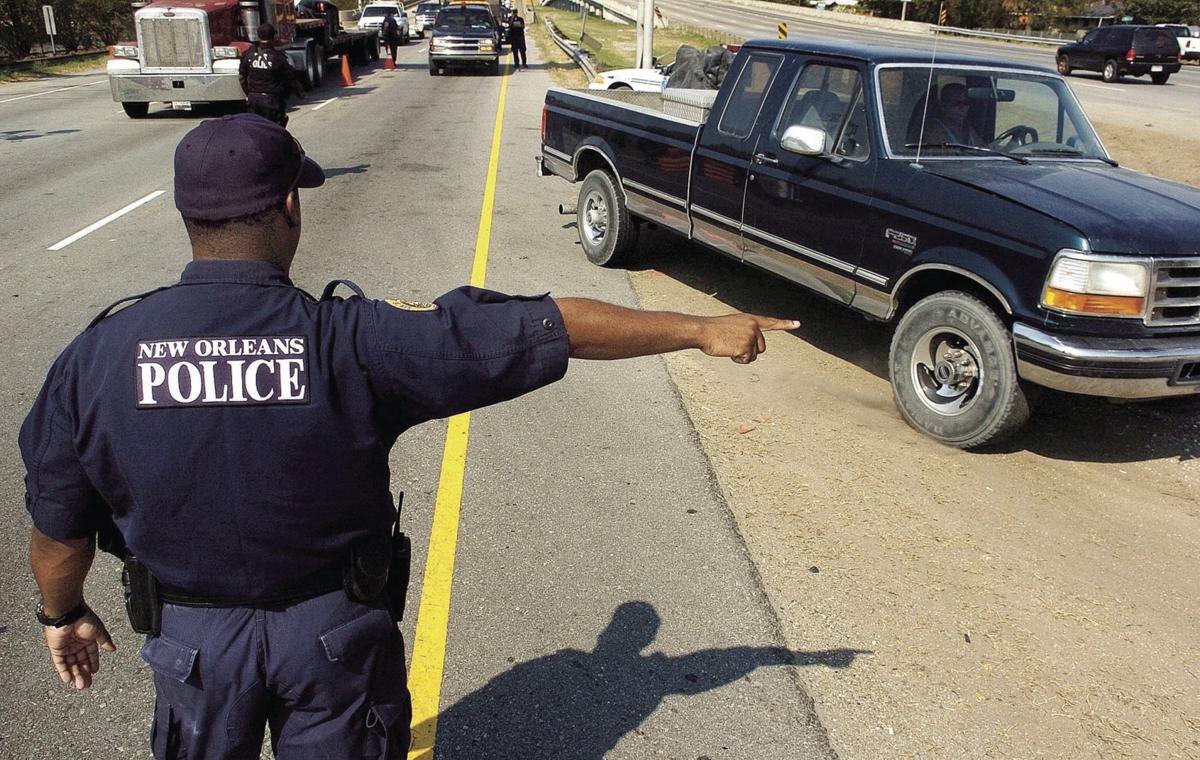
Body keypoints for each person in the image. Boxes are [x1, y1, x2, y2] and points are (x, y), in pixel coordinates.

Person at [21, 113, 798, 759]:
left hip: (193, 644)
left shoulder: (95, 359)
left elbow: (59, 531)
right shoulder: (355, 340)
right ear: (290, 205)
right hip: (331, 640)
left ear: (187, 214)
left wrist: (63, 615)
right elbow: (545, 325)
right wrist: (700, 328)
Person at [238, 23, 305, 127]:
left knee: (255, 128)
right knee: (275, 131)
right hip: (271, 102)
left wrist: (248, 94)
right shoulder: (277, 58)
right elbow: (291, 78)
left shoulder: (249, 54)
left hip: (253, 100)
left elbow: (242, 77)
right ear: (273, 37)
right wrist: (300, 93)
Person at [919, 82, 983, 147]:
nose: (962, 108)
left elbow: (983, 149)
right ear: (943, 106)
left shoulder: (967, 129)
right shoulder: (932, 128)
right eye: (956, 103)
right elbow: (945, 154)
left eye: (965, 103)